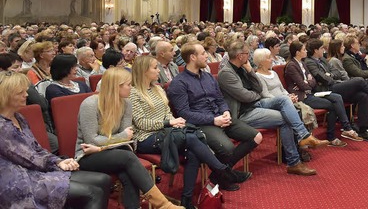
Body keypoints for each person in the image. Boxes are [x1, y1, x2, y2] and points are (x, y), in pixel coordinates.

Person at [130, 56, 247, 206]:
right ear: (143, 71)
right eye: (154, 68)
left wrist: (174, 122)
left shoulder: (157, 88)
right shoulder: (134, 93)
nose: (158, 70)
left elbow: (167, 112)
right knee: (192, 138)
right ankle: (223, 170)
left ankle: (187, 199)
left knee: (193, 151)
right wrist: (169, 122)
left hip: (168, 133)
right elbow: (141, 123)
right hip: (146, 138)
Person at [0, 71, 111, 209]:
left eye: (25, 91)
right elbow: (28, 158)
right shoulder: (2, 126)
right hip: (18, 180)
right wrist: (58, 162)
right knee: (92, 193)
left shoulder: (19, 117)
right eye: (20, 93)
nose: (26, 95)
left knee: (104, 180)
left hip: (36, 170)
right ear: (5, 96)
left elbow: (36, 148)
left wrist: (58, 160)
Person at [75, 67, 183, 209]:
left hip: (113, 152)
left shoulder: (126, 103)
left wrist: (106, 143)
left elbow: (127, 138)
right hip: (87, 155)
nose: (131, 88)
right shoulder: (90, 104)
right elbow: (92, 140)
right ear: (116, 86)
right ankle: (163, 205)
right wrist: (119, 138)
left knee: (127, 172)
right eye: (128, 85)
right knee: (128, 158)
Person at [217, 41, 327, 175]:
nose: (249, 56)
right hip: (242, 113)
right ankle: (295, 162)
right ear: (240, 56)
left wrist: (251, 71)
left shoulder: (243, 68)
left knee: (283, 99)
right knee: (286, 119)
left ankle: (303, 138)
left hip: (254, 104)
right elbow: (245, 96)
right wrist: (256, 94)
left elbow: (258, 87)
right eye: (247, 54)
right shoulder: (226, 73)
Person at [166, 43, 262, 183]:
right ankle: (226, 175)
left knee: (256, 137)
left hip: (220, 117)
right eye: (203, 53)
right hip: (201, 123)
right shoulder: (179, 83)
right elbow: (184, 114)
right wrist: (213, 120)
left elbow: (220, 99)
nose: (206, 56)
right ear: (193, 57)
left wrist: (226, 111)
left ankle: (219, 175)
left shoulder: (208, 77)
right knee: (228, 148)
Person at [285, 41, 354, 146]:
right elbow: (303, 85)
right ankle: (334, 134)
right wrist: (308, 82)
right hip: (302, 97)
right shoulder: (291, 66)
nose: (306, 51)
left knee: (336, 97)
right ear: (298, 52)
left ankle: (345, 128)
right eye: (304, 49)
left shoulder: (302, 63)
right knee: (332, 105)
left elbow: (312, 81)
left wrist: (308, 82)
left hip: (310, 93)